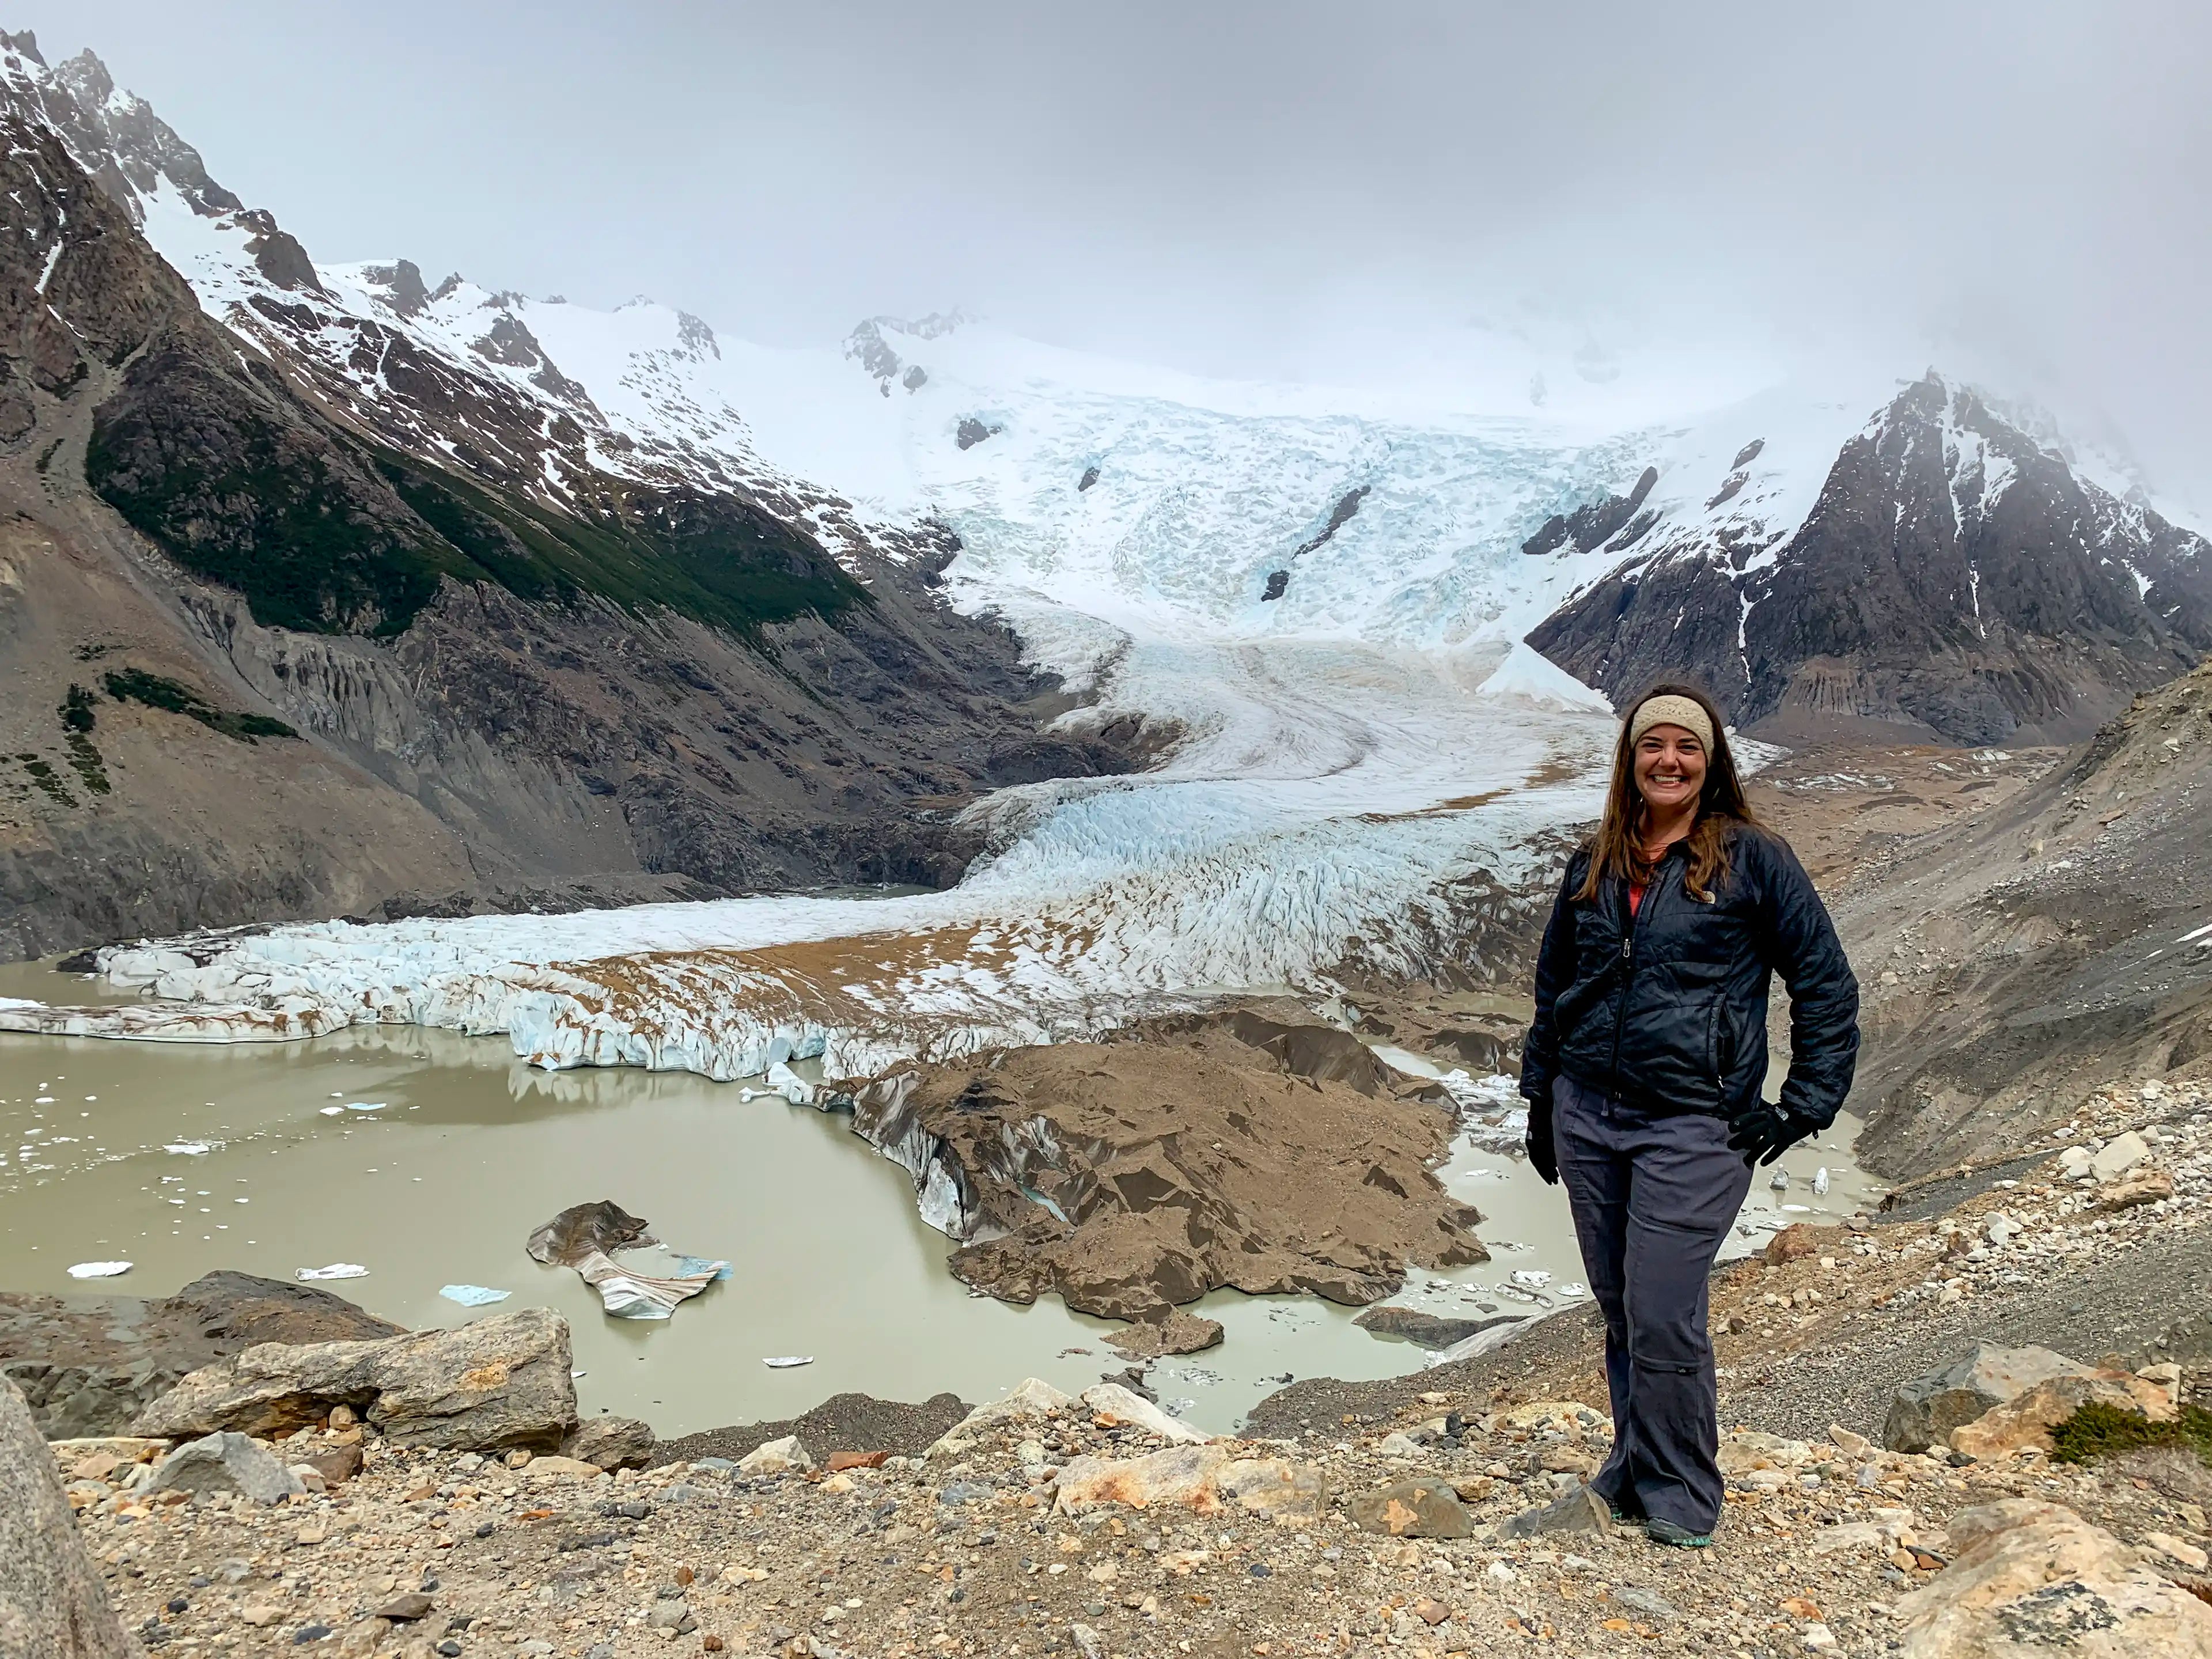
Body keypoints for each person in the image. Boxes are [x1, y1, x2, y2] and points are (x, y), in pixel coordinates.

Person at [1518, 684, 1859, 1547]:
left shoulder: (1754, 858)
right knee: (1622, 1304)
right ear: (1630, 760)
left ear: (1712, 763)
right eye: (1651, 746)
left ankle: (1680, 1488)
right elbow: (1557, 984)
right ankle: (1635, 1463)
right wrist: (1540, 1100)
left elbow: (1823, 982)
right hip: (1590, 1112)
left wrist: (1804, 1105)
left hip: (1695, 1123)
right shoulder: (1599, 856)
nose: (1668, 761)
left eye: (1687, 748)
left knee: (1665, 1305)